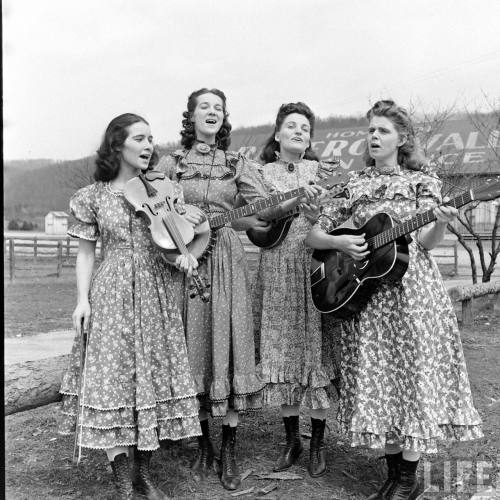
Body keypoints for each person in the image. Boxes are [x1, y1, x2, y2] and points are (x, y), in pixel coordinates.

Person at [305, 100, 483, 500]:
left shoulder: (422, 183)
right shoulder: (352, 185)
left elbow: (425, 243)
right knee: (378, 375)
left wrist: (439, 221)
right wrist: (340, 242)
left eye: (382, 131)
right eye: (370, 130)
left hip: (412, 294)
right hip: (365, 297)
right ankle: (392, 473)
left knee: (412, 375)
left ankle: (407, 479)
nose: (373, 137)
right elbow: (314, 237)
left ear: (402, 139)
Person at [157, 88, 315, 491]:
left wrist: (296, 198)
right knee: (195, 344)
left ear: (224, 118)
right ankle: (203, 443)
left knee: (228, 343)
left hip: (226, 257)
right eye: (203, 107)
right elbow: (156, 210)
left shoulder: (237, 162)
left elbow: (265, 207)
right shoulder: (171, 163)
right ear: (190, 117)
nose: (211, 113)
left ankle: (228, 449)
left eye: (218, 108)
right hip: (187, 260)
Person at [59, 113, 201, 500]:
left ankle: (144, 475)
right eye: (139, 138)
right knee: (113, 380)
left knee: (150, 378)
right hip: (112, 293)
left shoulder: (163, 191)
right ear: (117, 144)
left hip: (157, 290)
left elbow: (175, 245)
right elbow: (86, 254)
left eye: (151, 138)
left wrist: (185, 258)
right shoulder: (93, 195)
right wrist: (81, 300)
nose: (148, 145)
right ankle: (122, 480)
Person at [252, 102, 335, 478]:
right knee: (281, 347)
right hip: (277, 268)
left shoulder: (324, 172)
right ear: (278, 133)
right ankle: (291, 440)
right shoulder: (260, 172)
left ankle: (317, 442)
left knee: (315, 350)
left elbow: (336, 215)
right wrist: (295, 198)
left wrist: (319, 210)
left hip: (315, 265)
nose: (299, 132)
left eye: (305, 128)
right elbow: (259, 215)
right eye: (292, 126)